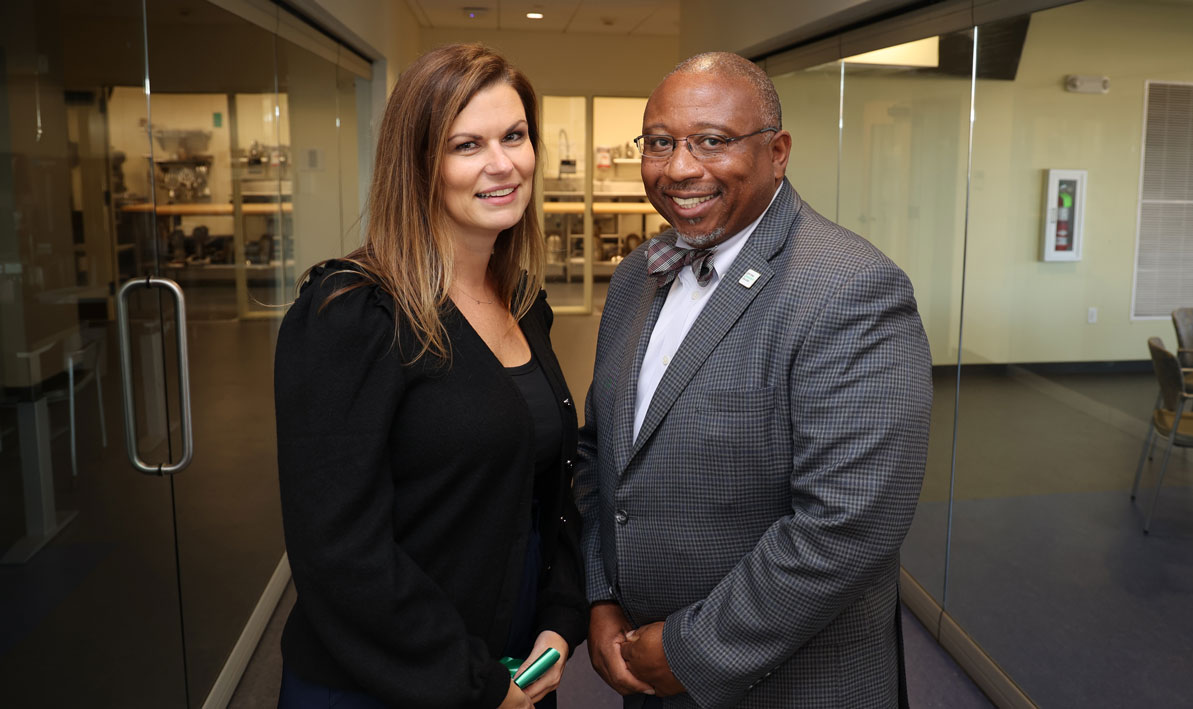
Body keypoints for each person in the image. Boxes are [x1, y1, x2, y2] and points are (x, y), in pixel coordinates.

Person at [574, 52, 933, 708]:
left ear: (777, 151)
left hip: (788, 683)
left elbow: (847, 523)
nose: (679, 167)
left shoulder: (850, 289)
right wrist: (600, 595)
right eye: (659, 143)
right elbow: (601, 455)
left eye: (711, 141)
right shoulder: (634, 277)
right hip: (644, 665)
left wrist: (689, 649)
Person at [274, 43, 587, 709]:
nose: (502, 163)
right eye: (466, 145)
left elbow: (546, 486)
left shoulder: (523, 301)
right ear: (418, 164)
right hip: (385, 681)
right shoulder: (351, 314)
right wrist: (474, 683)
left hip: (510, 664)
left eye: (514, 135)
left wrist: (561, 617)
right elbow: (338, 551)